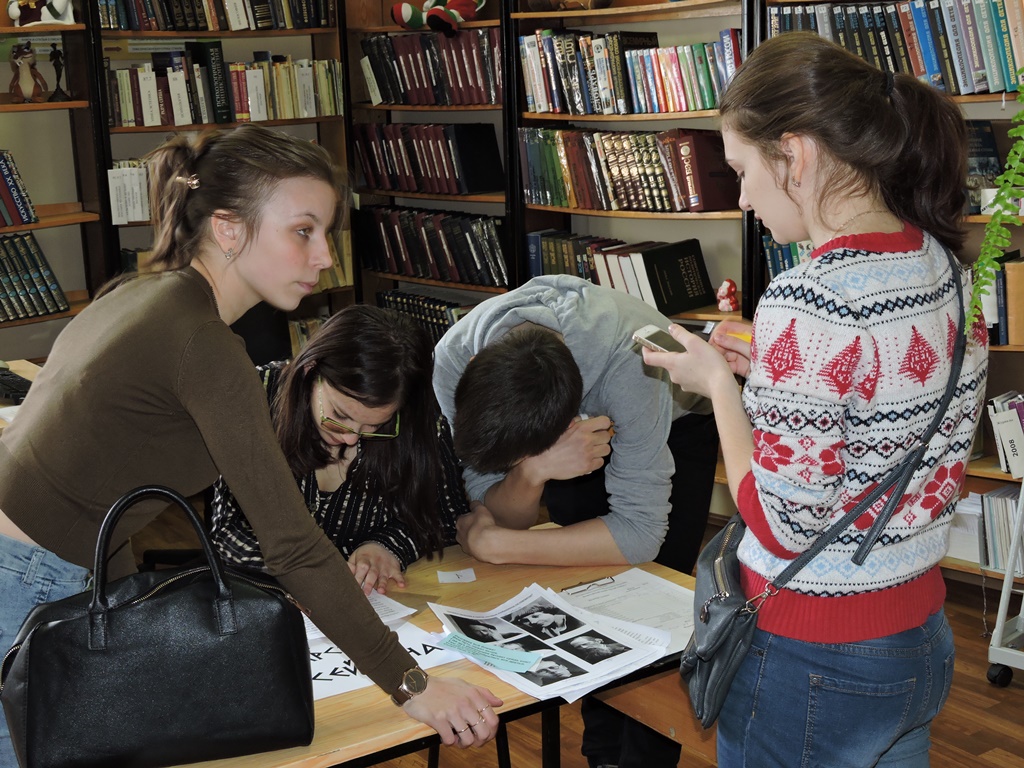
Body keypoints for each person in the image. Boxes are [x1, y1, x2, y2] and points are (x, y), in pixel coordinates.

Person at [0, 124, 500, 765]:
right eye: (303, 231)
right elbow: (292, 546)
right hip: (26, 576)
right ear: (229, 230)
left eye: (326, 233)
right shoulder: (204, 345)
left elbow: (105, 496)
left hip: (34, 563)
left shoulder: (141, 293)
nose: (324, 256)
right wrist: (414, 687)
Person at [642, 33, 988, 767]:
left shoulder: (811, 298)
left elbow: (782, 523)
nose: (743, 198)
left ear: (794, 155)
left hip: (815, 654)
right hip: (918, 636)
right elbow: (889, 411)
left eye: (742, 171)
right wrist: (771, 375)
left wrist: (720, 390)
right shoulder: (946, 265)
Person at [432, 274, 720, 768]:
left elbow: (639, 535)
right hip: (567, 434)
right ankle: (601, 756)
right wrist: (535, 471)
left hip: (674, 421)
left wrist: (496, 545)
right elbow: (493, 508)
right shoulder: (452, 359)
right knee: (588, 605)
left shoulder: (631, 361)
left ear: (567, 421)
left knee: (655, 616)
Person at [208, 305, 468, 596]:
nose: (351, 438)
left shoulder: (418, 422)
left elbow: (448, 517)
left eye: (374, 425)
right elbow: (227, 532)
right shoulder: (255, 397)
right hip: (268, 594)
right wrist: (309, 572)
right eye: (339, 415)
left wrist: (386, 545)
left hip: (378, 599)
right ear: (310, 371)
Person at [513, 605, 581, 639]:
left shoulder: (574, 618)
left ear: (544, 611)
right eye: (531, 624)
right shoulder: (548, 634)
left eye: (535, 616)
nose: (534, 622)